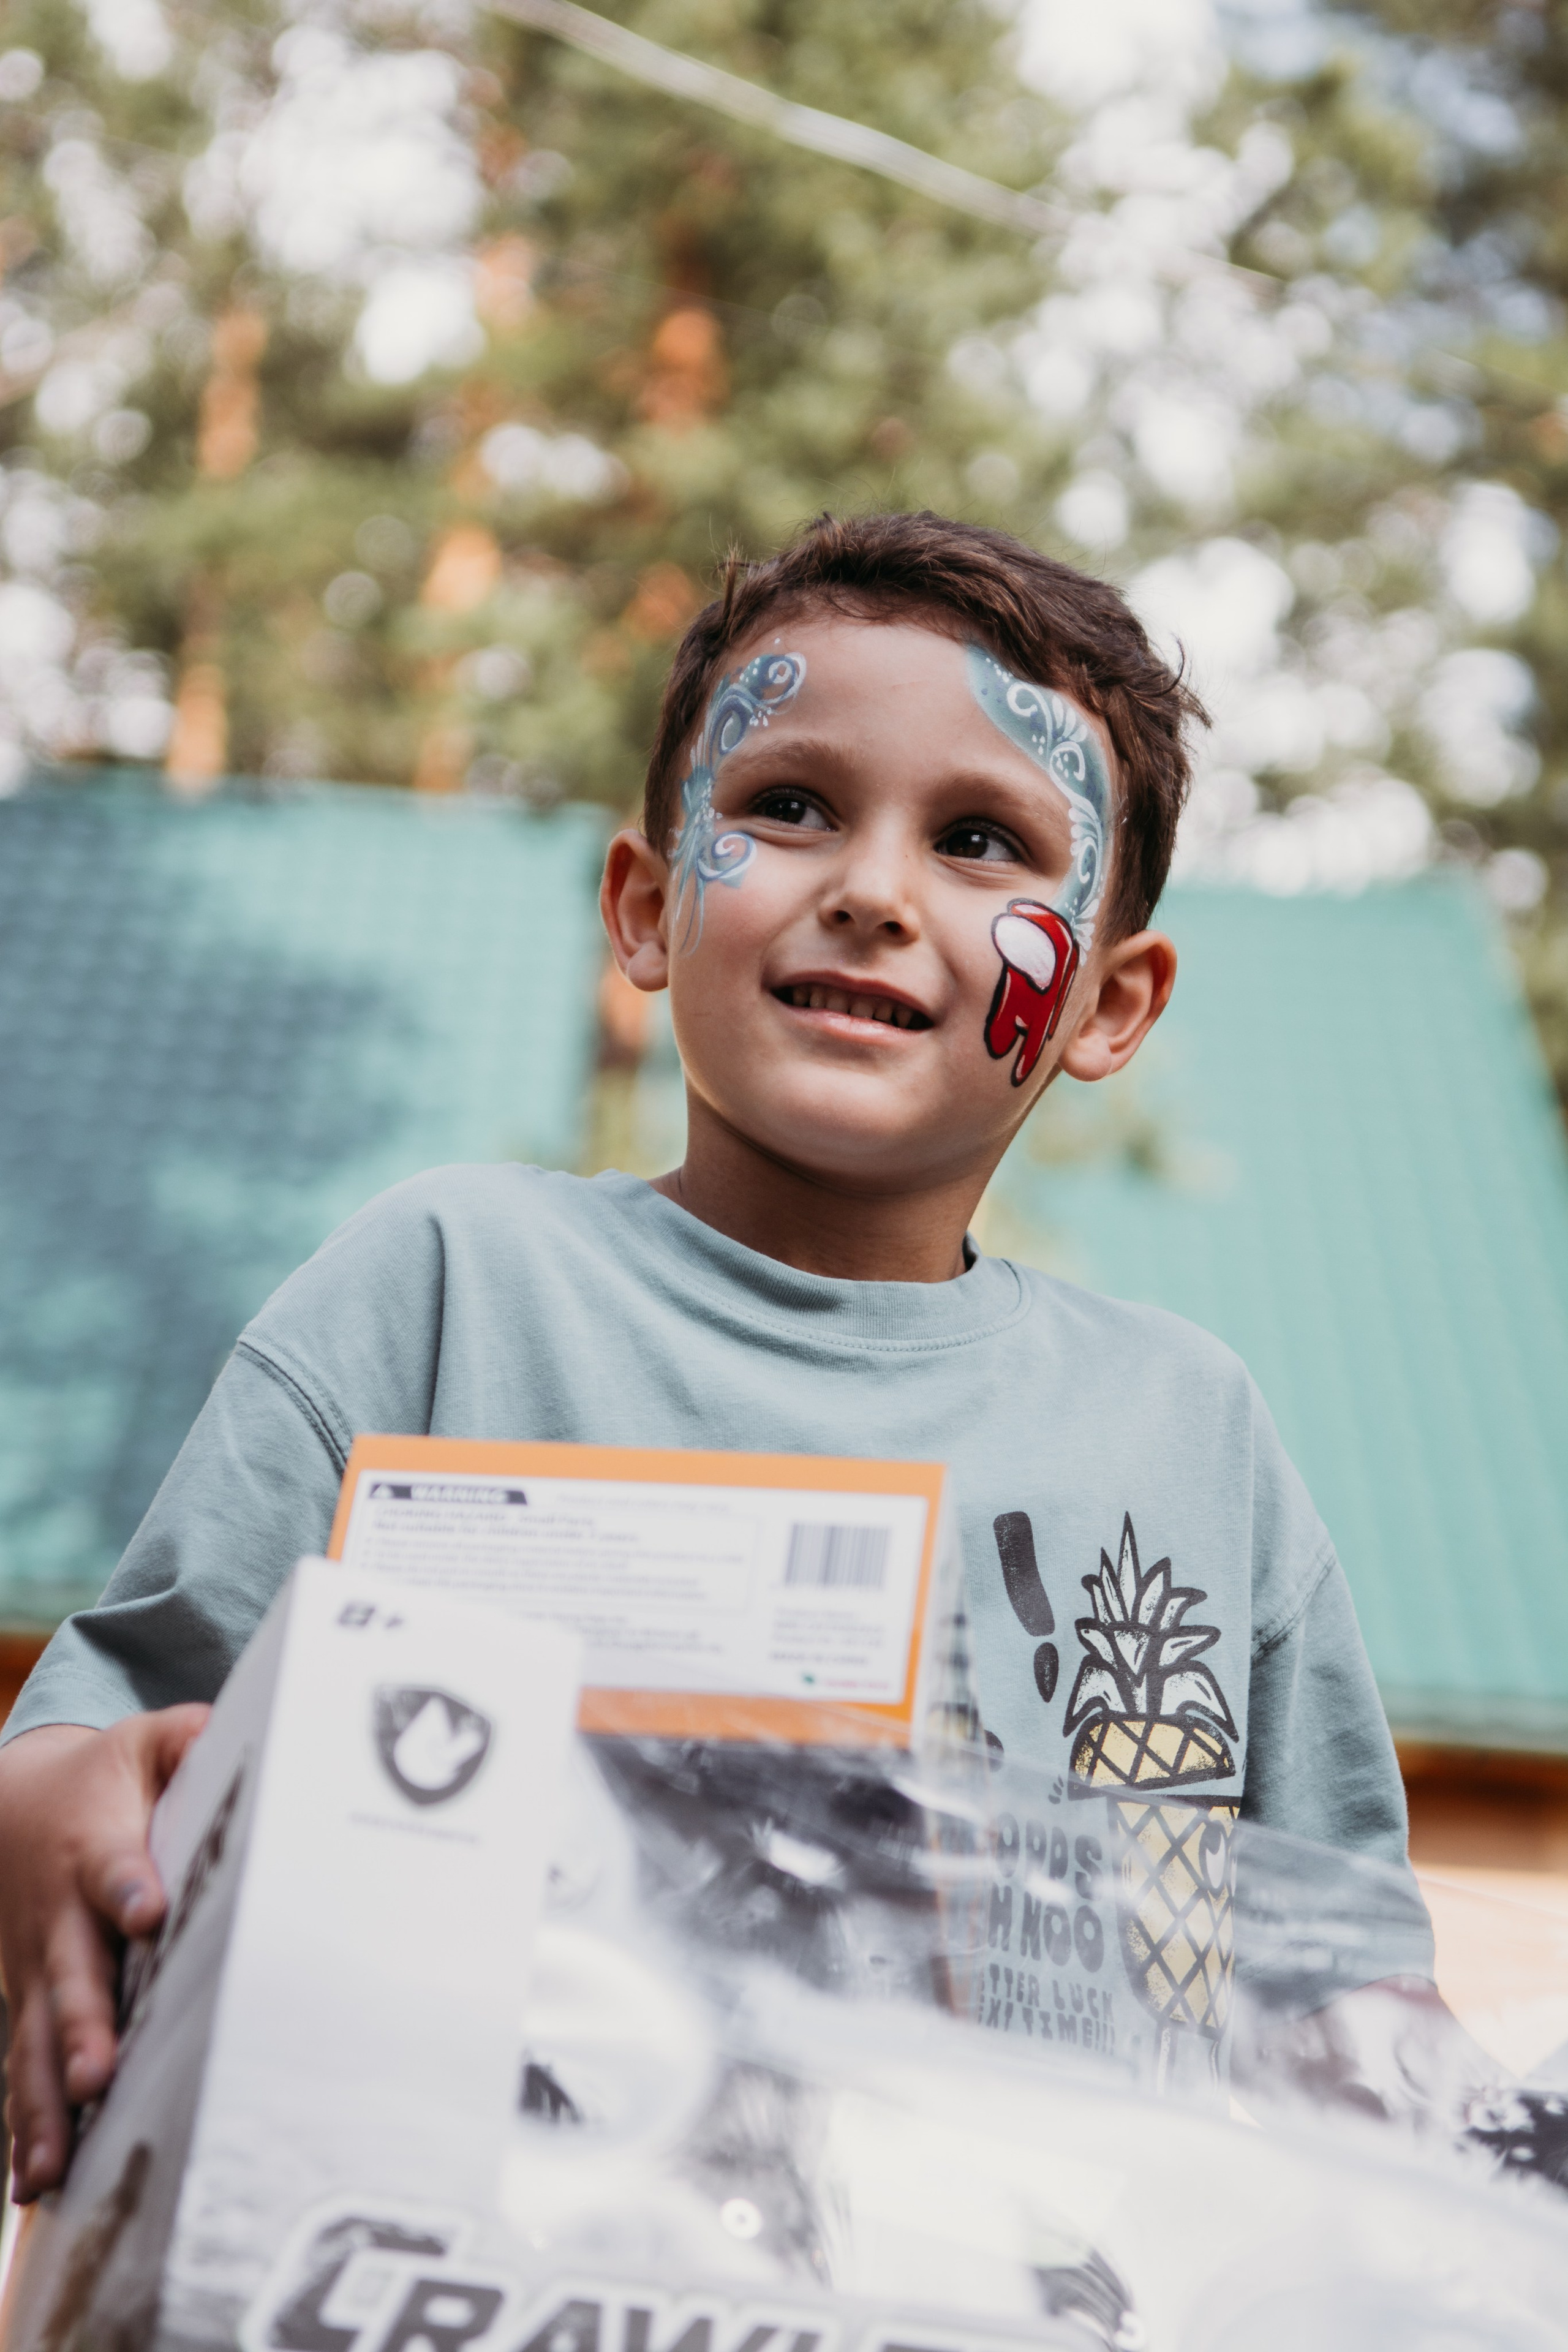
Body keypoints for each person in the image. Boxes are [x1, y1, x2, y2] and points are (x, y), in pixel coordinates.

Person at [0, 510, 1446, 2201]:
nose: (874, 891)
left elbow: (1345, 1995)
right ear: (644, 905)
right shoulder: (451, 1285)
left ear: (1110, 1007)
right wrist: (47, 1811)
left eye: (983, 840)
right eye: (789, 806)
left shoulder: (1192, 1434)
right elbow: (94, 1750)